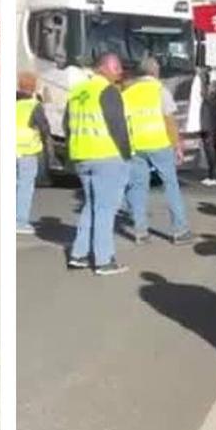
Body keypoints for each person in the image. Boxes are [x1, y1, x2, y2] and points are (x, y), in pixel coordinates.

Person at [64, 53, 133, 275]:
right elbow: (118, 126)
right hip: (107, 156)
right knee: (105, 209)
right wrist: (126, 154)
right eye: (116, 68)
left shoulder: (77, 91)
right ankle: (104, 260)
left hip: (82, 155)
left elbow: (67, 124)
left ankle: (79, 254)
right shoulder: (108, 91)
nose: (119, 72)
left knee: (91, 206)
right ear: (103, 68)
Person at [121, 56, 193, 245]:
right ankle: (180, 230)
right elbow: (169, 120)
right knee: (171, 185)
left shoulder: (127, 92)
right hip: (159, 143)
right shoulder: (159, 90)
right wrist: (177, 144)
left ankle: (140, 231)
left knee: (137, 187)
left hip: (136, 146)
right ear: (155, 72)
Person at [15, 71, 51, 234]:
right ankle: (20, 221)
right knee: (25, 186)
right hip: (27, 151)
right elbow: (44, 128)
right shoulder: (33, 105)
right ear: (34, 87)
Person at [199, 78, 216, 186]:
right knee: (212, 149)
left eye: (211, 86)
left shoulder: (212, 98)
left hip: (209, 128)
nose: (209, 87)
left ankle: (213, 175)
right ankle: (214, 172)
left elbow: (203, 93)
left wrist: (201, 79)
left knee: (210, 151)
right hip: (213, 128)